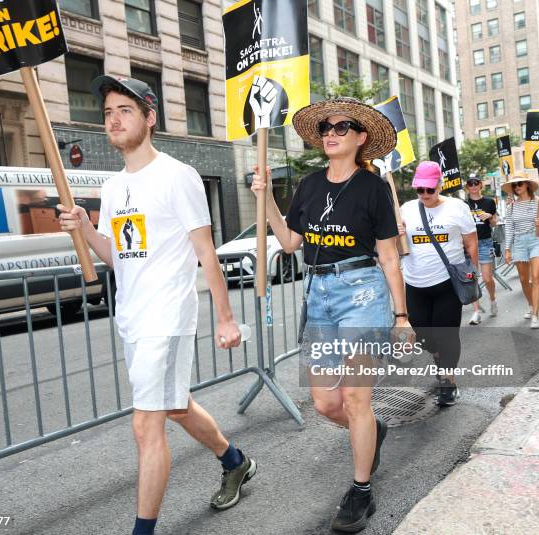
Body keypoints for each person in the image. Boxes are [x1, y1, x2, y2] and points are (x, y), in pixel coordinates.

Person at [58, 76, 256, 535]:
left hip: (166, 317)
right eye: (108, 112)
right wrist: (85, 228)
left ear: (150, 118)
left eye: (125, 110)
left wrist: (225, 318)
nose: (113, 119)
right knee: (174, 405)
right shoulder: (112, 189)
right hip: (132, 317)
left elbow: (206, 251)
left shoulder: (178, 176)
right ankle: (235, 460)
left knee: (146, 426)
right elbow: (115, 256)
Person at [252, 97, 413, 533]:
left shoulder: (373, 187)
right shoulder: (307, 185)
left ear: (361, 138)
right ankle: (372, 430)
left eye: (342, 127)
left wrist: (401, 317)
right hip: (318, 291)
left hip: (362, 293)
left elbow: (389, 258)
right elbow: (289, 243)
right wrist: (265, 200)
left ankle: (361, 491)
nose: (331, 132)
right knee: (326, 402)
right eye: (326, 126)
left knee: (356, 398)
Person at [399, 161, 478, 406]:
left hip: (447, 283)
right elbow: (394, 248)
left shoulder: (458, 208)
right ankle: (438, 357)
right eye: (419, 190)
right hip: (414, 283)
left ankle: (448, 380)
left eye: (429, 190)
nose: (424, 195)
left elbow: (471, 243)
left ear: (440, 185)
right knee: (422, 333)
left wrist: (472, 274)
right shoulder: (406, 209)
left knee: (447, 334)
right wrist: (396, 233)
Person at [502, 174, 539, 329]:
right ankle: (530, 304)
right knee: (523, 279)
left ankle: (535, 314)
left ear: (527, 184)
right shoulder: (511, 207)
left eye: (519, 183)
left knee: (535, 278)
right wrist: (507, 249)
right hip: (519, 243)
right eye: (514, 185)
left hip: (536, 240)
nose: (517, 187)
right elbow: (509, 229)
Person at [465, 174, 498, 324]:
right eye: (470, 184)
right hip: (467, 244)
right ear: (467, 187)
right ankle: (477, 311)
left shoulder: (489, 202)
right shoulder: (463, 204)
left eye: (476, 183)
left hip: (485, 242)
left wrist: (489, 217)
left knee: (487, 278)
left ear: (480, 185)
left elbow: (494, 224)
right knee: (471, 278)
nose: (473, 186)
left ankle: (492, 300)